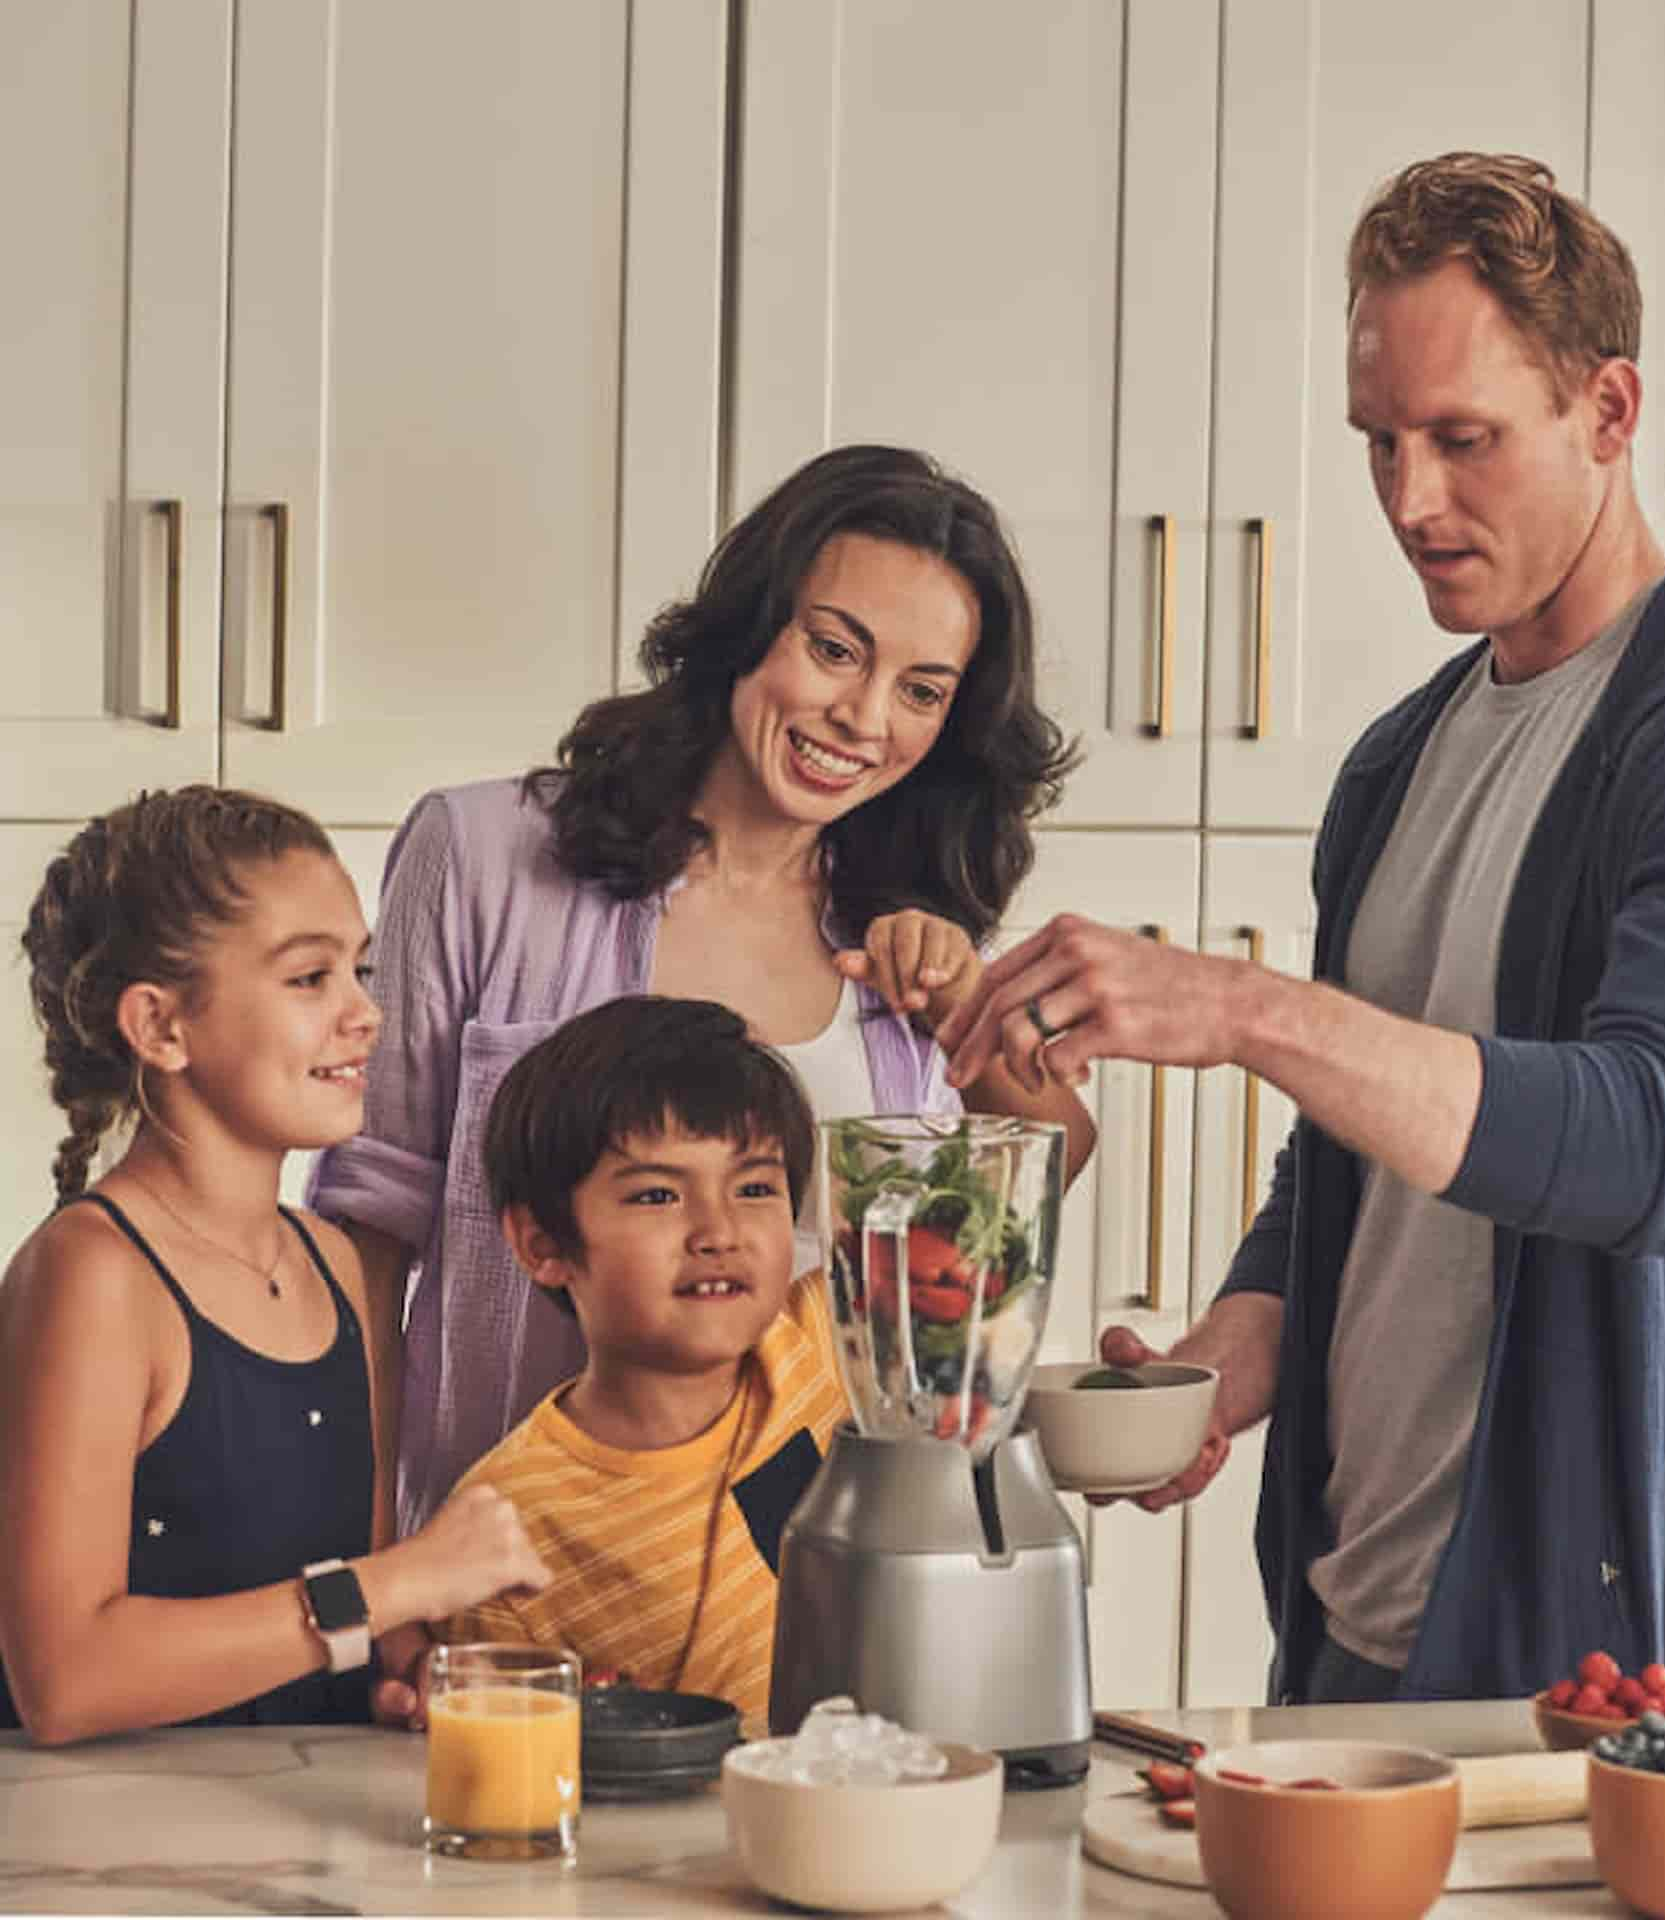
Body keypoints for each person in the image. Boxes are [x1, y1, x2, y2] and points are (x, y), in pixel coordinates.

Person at [936, 153, 1665, 1720]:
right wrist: (1236, 1350)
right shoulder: (1401, 759)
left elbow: (1664, 1146)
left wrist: (1246, 1007)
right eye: (1380, 442)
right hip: (1353, 1623)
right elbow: (1357, 1157)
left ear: (1611, 409)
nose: (1409, 502)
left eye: (1465, 440)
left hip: (1606, 1667)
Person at [309, 444, 1093, 1538]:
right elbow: (366, 1242)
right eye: (833, 650)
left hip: (817, 1564)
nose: (864, 720)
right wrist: (375, 1561)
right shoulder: (483, 855)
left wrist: (972, 1015)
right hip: (508, 1561)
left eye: (921, 691)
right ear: (748, 627)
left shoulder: (904, 930)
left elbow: (1022, 1188)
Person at [0, 787, 550, 1744]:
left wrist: (433, 1668)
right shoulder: (93, 1274)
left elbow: (368, 1599)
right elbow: (63, 1679)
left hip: (303, 1839)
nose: (366, 1015)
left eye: (362, 970)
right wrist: (398, 1583)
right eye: (309, 979)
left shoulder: (334, 1262)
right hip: (110, 1858)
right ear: (161, 1028)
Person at [431, 995, 842, 1721]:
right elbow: (510, 1775)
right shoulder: (503, 1529)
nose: (719, 1231)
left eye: (754, 1188)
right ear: (543, 1245)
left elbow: (1001, 1230)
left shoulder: (837, 1341)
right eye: (657, 1195)